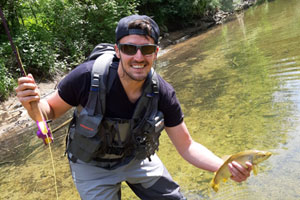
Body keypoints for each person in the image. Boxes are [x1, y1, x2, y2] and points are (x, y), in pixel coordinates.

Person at [16, 14, 252, 200]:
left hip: (136, 159)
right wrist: (32, 103)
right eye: (129, 48)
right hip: (91, 166)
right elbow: (49, 111)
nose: (138, 57)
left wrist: (224, 167)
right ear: (118, 50)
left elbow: (187, 146)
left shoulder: (163, 92)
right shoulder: (87, 77)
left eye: (147, 49)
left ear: (156, 53)